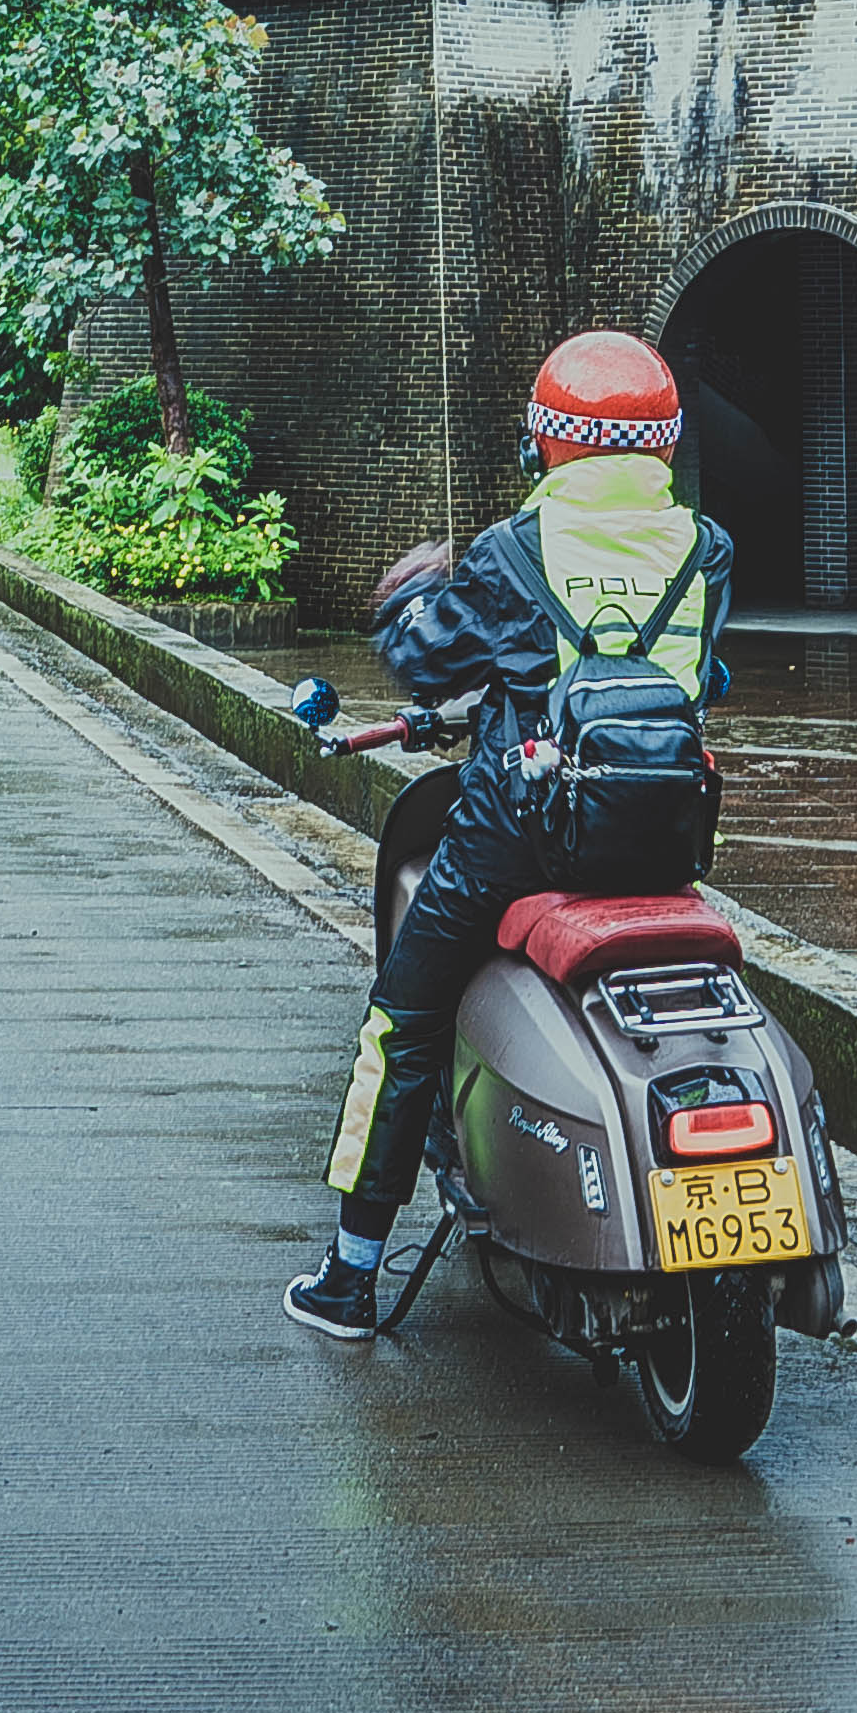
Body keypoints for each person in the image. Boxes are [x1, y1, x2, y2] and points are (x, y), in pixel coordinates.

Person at [286, 327, 730, 1340]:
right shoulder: (708, 551)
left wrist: (406, 596)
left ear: (548, 447)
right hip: (665, 835)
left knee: (402, 1018)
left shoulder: (513, 553)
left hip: (520, 831)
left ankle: (352, 1276)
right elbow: (706, 680)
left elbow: (429, 667)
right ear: (661, 447)